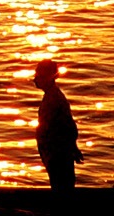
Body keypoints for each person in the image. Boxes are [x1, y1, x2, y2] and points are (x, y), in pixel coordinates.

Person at [33, 59, 82, 194]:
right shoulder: (51, 96)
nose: (35, 79)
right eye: (36, 75)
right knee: (60, 187)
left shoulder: (55, 99)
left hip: (57, 153)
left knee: (61, 189)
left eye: (39, 76)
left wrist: (72, 147)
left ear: (49, 78)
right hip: (53, 152)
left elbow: (68, 126)